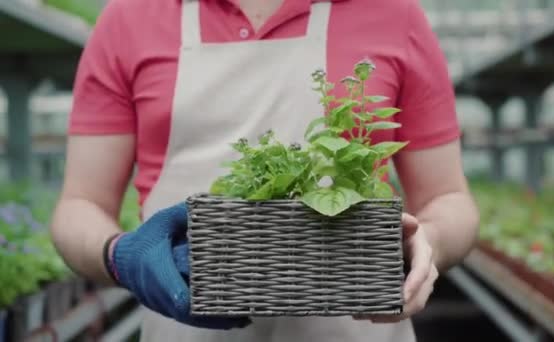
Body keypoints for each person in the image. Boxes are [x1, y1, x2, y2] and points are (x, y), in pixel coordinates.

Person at [50, 0, 480, 341]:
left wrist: (427, 246)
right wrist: (118, 255)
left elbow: (448, 198)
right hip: (181, 329)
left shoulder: (393, 14)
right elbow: (80, 204)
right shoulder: (130, 17)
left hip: (357, 328)